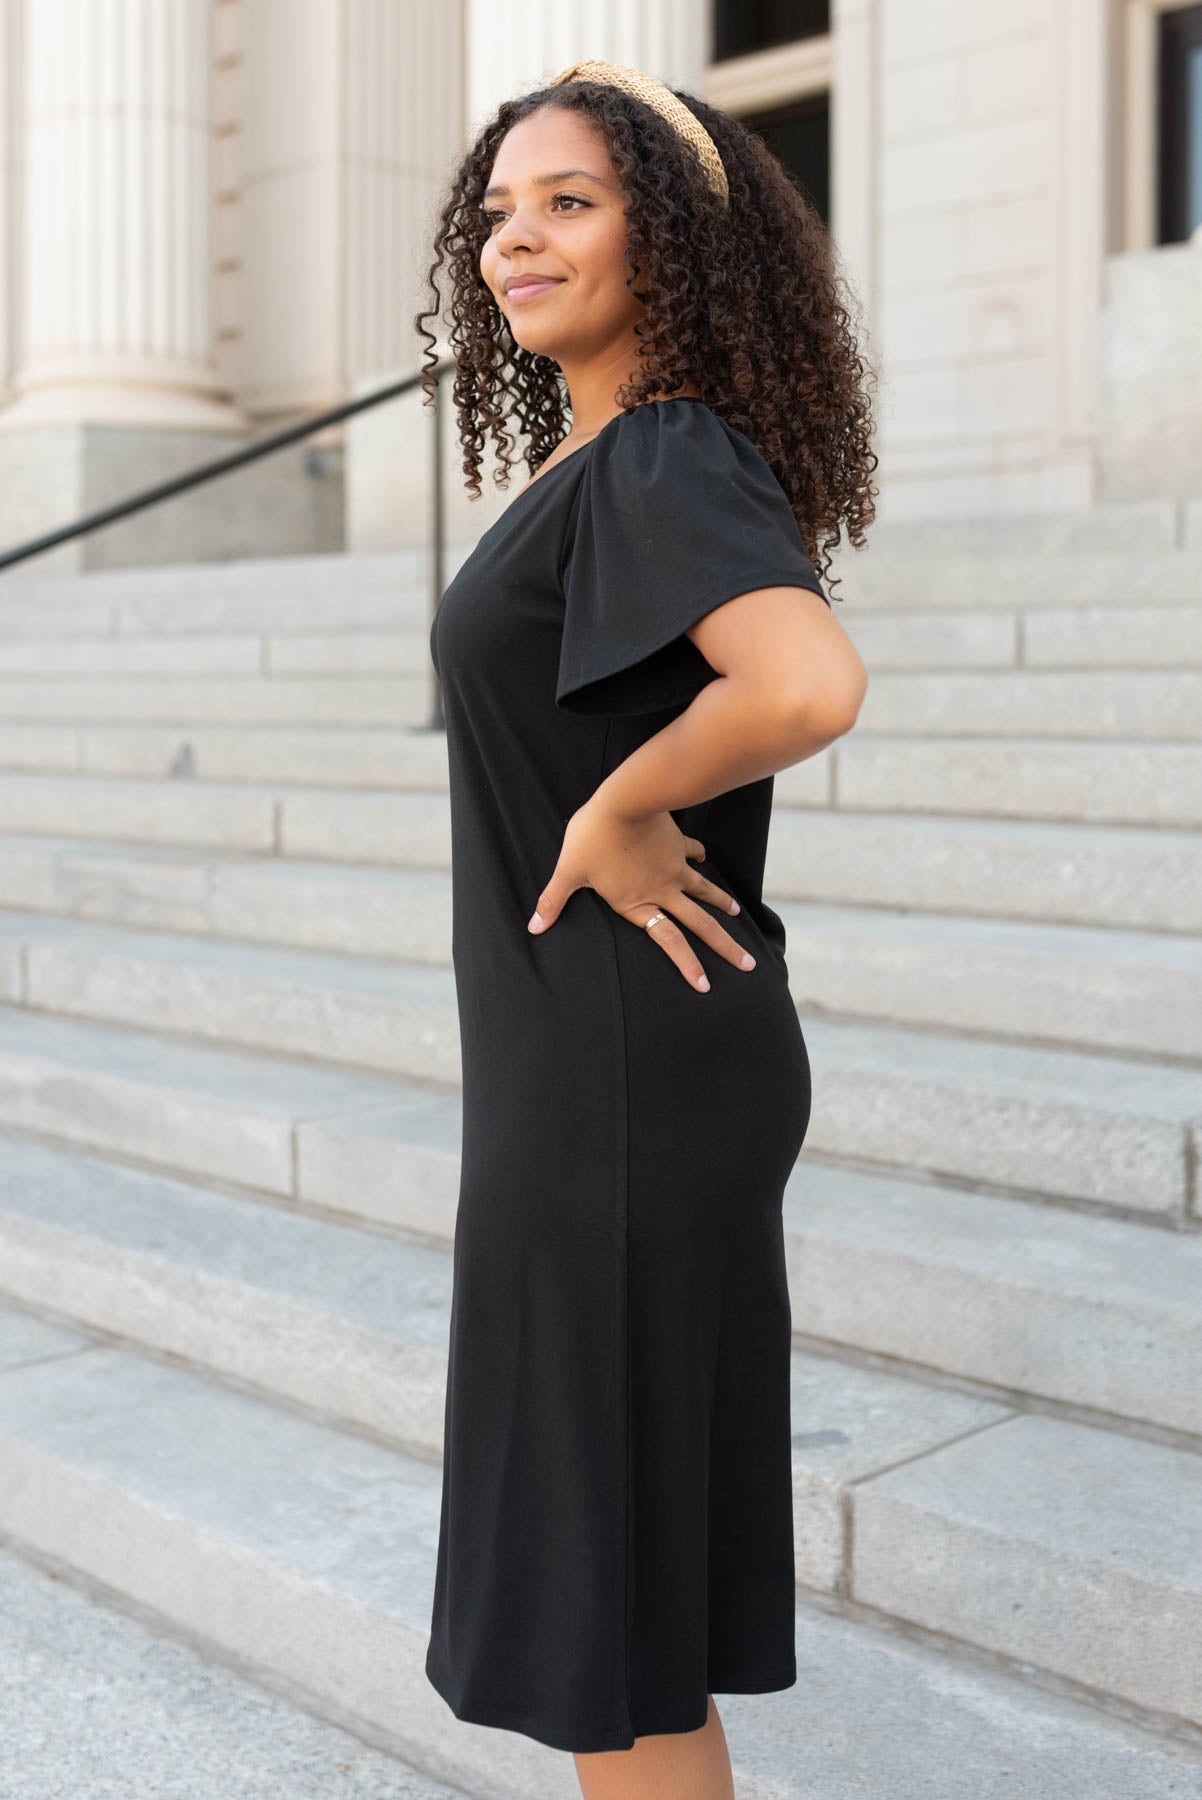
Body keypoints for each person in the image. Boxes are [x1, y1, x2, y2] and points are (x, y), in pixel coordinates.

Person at [414, 56, 875, 1800]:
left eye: (569, 202)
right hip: (604, 1057)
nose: (512, 241)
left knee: (608, 1622)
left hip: (619, 1066)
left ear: (669, 242)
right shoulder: (611, 460)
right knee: (620, 1609)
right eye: (497, 211)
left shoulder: (666, 449)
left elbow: (807, 681)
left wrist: (616, 805)